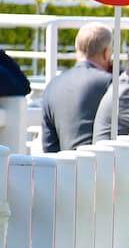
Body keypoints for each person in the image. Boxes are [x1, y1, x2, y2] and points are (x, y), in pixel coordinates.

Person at [41, 22, 113, 152]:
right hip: (99, 167)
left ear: (77, 49)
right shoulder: (110, 84)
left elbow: (48, 146)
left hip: (62, 167)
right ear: (106, 53)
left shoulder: (52, 85)